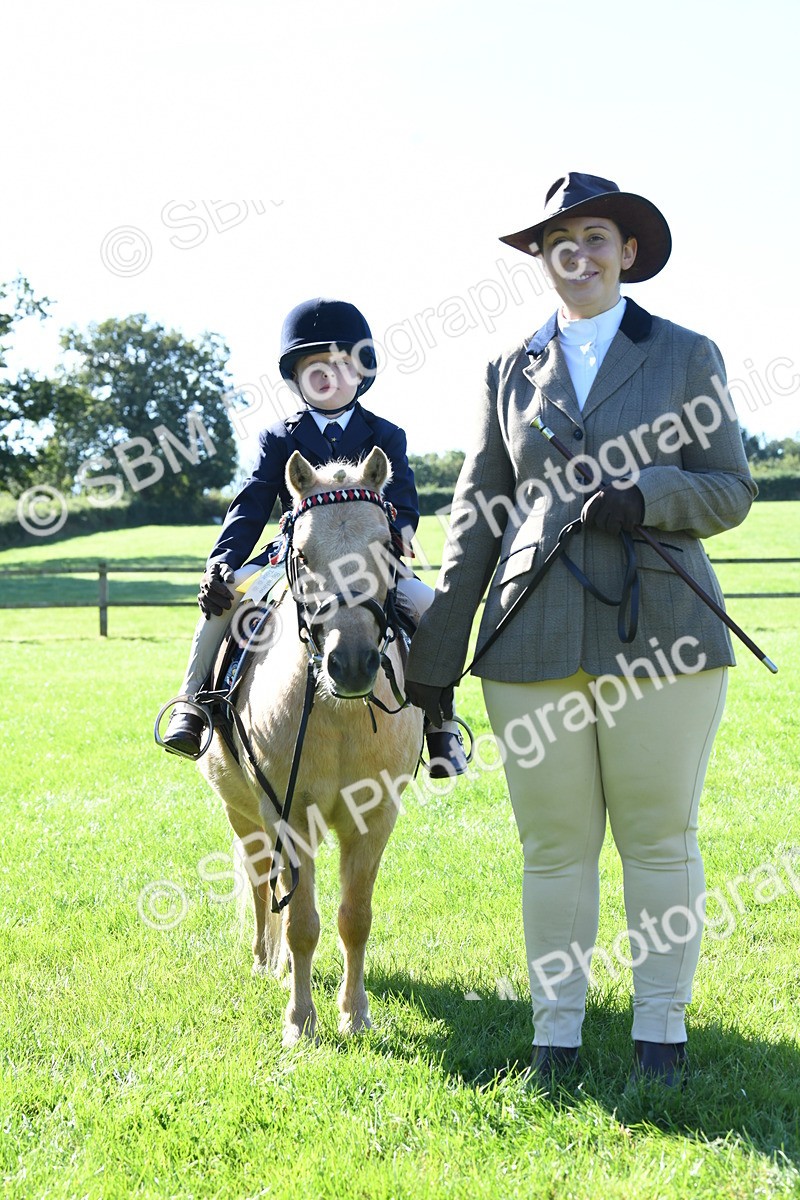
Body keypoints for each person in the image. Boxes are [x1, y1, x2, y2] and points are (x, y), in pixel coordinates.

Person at [404, 173, 757, 1088]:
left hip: (664, 629)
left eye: (595, 237)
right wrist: (438, 655)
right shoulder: (507, 368)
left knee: (659, 838)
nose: (578, 255)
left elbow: (731, 489)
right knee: (553, 848)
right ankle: (554, 1041)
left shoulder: (686, 354)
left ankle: (661, 1039)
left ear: (627, 252)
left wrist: (648, 496)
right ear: (541, 259)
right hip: (531, 633)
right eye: (559, 242)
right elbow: (477, 514)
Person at [161, 296, 468, 777]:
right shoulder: (278, 438)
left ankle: (440, 723)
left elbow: (406, 506)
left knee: (429, 608)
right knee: (222, 603)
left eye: (341, 364)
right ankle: (193, 703)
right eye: (314, 368)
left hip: (371, 560)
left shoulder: (387, 435)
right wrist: (221, 563)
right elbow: (251, 505)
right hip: (296, 557)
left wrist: (393, 540)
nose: (328, 376)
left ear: (361, 373)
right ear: (297, 378)